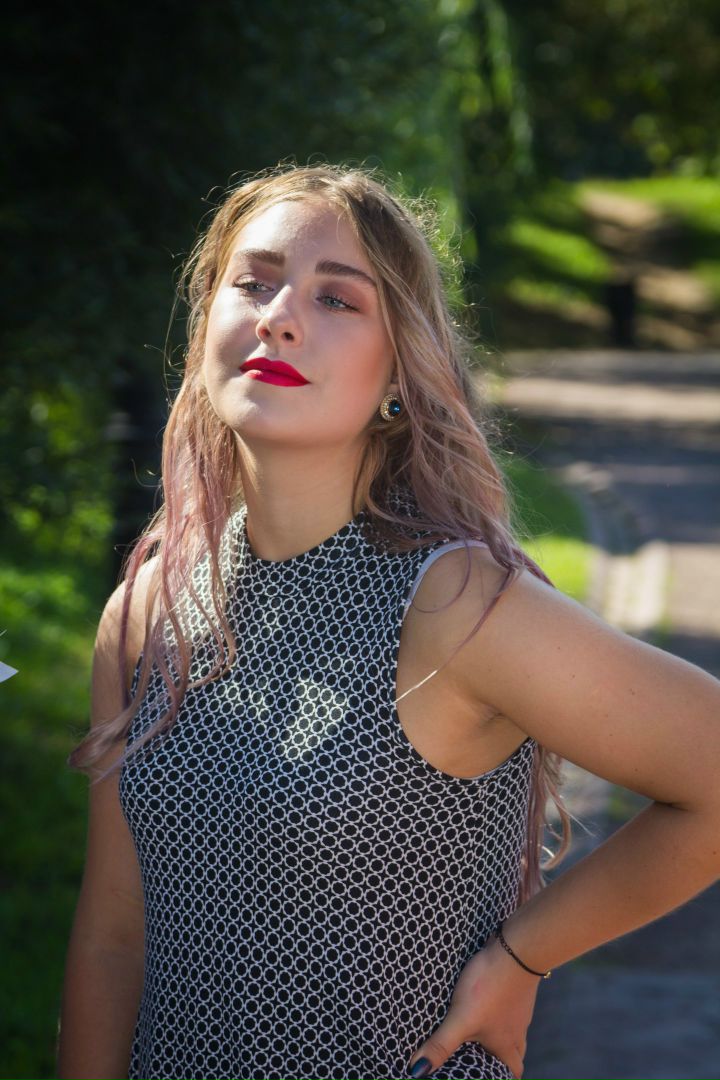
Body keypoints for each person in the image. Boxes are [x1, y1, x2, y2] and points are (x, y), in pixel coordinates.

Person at [58, 163, 720, 1080]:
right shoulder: (146, 614)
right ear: (205, 326)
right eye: (252, 283)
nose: (280, 317)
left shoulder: (453, 607)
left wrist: (523, 956)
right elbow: (112, 938)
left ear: (397, 377)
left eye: (337, 299)